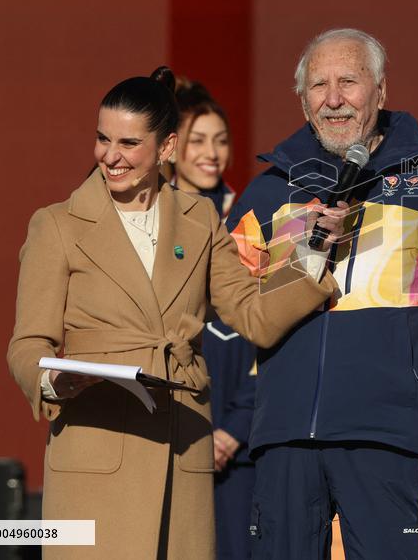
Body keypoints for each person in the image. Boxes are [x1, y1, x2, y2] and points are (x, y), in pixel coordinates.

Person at [6, 66, 345, 560]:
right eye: (103, 139)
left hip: (182, 450)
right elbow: (27, 345)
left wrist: (311, 257)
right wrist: (53, 382)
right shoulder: (56, 226)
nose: (110, 156)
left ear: (165, 149)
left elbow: (253, 316)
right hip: (96, 457)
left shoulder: (199, 218)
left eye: (128, 143)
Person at [224, 28, 418, 559]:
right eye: (318, 86)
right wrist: (308, 255)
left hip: (386, 432)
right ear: (303, 101)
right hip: (284, 435)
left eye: (348, 82)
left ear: (379, 92)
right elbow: (234, 305)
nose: (333, 99)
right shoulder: (267, 191)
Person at [169, 78, 255, 560]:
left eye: (220, 140)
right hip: (167, 437)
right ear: (171, 147)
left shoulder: (252, 222)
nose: (211, 153)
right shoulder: (148, 223)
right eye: (197, 140)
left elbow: (274, 333)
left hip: (239, 449)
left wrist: (234, 429)